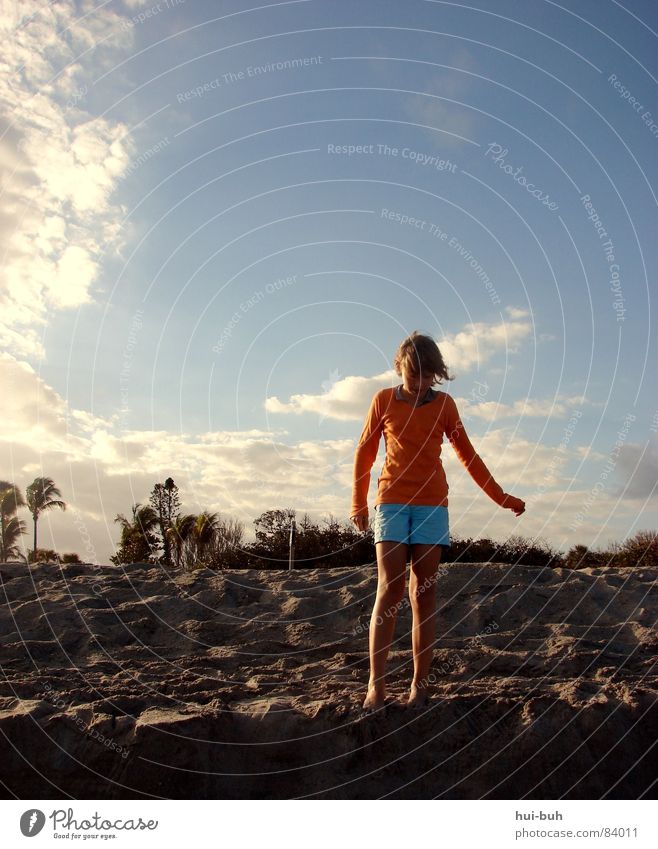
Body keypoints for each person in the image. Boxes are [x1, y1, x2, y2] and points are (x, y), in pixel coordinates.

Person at [350, 331, 525, 711]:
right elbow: (364, 454)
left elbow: (469, 455)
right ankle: (376, 686)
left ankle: (419, 686)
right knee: (389, 590)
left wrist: (501, 497)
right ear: (401, 369)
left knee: (423, 595)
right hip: (392, 502)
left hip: (432, 506)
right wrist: (358, 504)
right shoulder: (382, 400)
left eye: (429, 376)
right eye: (416, 376)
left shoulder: (445, 406)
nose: (422, 384)